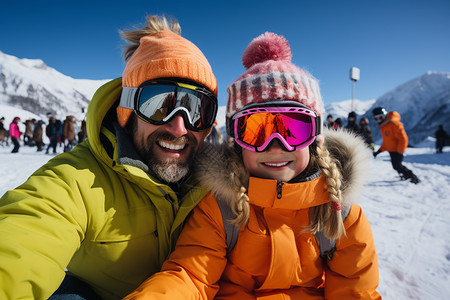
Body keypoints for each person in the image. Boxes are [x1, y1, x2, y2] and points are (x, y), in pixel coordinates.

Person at [125, 32, 380, 299]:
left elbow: (356, 291)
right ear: (237, 142)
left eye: (293, 128)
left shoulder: (341, 214)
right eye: (256, 130)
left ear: (314, 138)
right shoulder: (220, 208)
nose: (276, 145)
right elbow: (190, 276)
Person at [0, 14, 218, 299]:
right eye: (158, 105)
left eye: (197, 109)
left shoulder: (220, 184)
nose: (179, 126)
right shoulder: (79, 179)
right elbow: (24, 237)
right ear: (128, 111)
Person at [372, 106, 420, 184]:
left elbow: (403, 138)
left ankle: (412, 177)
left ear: (384, 116)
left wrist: (400, 151)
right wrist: (379, 151)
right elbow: (387, 142)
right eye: (376, 118)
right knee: (396, 166)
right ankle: (405, 175)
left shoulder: (394, 123)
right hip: (392, 151)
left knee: (398, 166)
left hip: (397, 151)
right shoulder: (384, 126)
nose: (378, 120)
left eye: (379, 118)